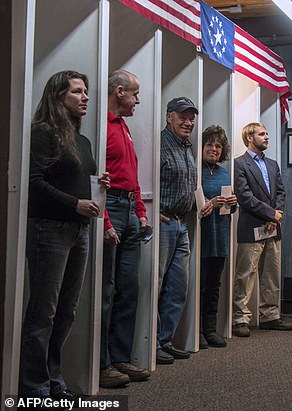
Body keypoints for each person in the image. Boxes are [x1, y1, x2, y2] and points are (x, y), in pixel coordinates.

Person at [20, 70, 109, 400]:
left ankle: (53, 381)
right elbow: (34, 184)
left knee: (66, 313)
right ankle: (34, 389)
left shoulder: (82, 140)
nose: (85, 97)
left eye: (86, 91)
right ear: (58, 97)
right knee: (43, 313)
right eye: (77, 92)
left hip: (78, 231)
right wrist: (75, 204)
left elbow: (82, 178)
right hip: (49, 229)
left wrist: (101, 186)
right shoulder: (42, 133)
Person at [99, 70, 151, 387]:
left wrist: (141, 213)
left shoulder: (123, 127)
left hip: (130, 210)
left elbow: (131, 173)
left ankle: (120, 357)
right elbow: (97, 180)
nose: (137, 99)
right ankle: (101, 363)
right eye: (134, 93)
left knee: (129, 289)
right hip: (112, 209)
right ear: (120, 92)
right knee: (106, 290)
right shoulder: (102, 126)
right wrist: (105, 220)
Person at [233, 122, 292, 337]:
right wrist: (270, 214)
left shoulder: (272, 164)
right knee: (246, 275)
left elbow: (281, 193)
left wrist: (275, 216)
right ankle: (240, 318)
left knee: (271, 274)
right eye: (262, 134)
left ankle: (270, 316)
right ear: (250, 138)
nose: (266, 137)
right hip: (251, 228)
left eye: (267, 133)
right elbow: (244, 196)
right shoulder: (239, 164)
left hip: (272, 228)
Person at [157, 97, 198, 363]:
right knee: (157, 284)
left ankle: (165, 340)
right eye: (183, 116)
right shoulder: (160, 144)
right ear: (169, 117)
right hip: (163, 223)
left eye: (191, 117)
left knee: (177, 287)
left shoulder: (187, 147)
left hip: (182, 223)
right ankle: (150, 344)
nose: (188, 122)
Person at [199, 125, 237, 348]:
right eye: (209, 145)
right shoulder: (197, 170)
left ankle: (211, 329)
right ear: (202, 147)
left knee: (214, 285)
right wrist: (209, 204)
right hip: (202, 234)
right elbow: (196, 203)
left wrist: (233, 204)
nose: (214, 149)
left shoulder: (224, 172)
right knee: (200, 285)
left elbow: (228, 207)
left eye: (218, 146)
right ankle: (198, 332)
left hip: (220, 236)